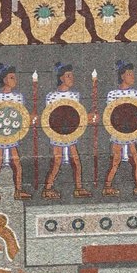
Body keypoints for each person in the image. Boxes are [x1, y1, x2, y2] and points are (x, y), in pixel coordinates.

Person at [41, 63, 95, 200]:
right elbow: (50, 115)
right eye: (68, 76)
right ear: (61, 78)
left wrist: (88, 117)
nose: (72, 78)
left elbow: (77, 114)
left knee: (76, 161)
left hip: (71, 131)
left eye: (72, 75)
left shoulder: (74, 95)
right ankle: (47, 188)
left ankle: (78, 188)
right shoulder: (52, 96)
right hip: (58, 132)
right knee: (57, 161)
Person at [0, 65, 31, 200]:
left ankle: (18, 191)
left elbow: (22, 116)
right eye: (11, 77)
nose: (15, 80)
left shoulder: (18, 97)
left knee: (17, 165)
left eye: (15, 77)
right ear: (4, 80)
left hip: (13, 135)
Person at [101, 60, 137, 196]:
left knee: (135, 159)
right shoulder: (113, 94)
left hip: (131, 130)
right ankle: (107, 186)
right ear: (122, 76)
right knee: (116, 159)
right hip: (118, 130)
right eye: (129, 74)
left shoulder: (136, 94)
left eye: (133, 74)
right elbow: (110, 113)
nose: (132, 77)